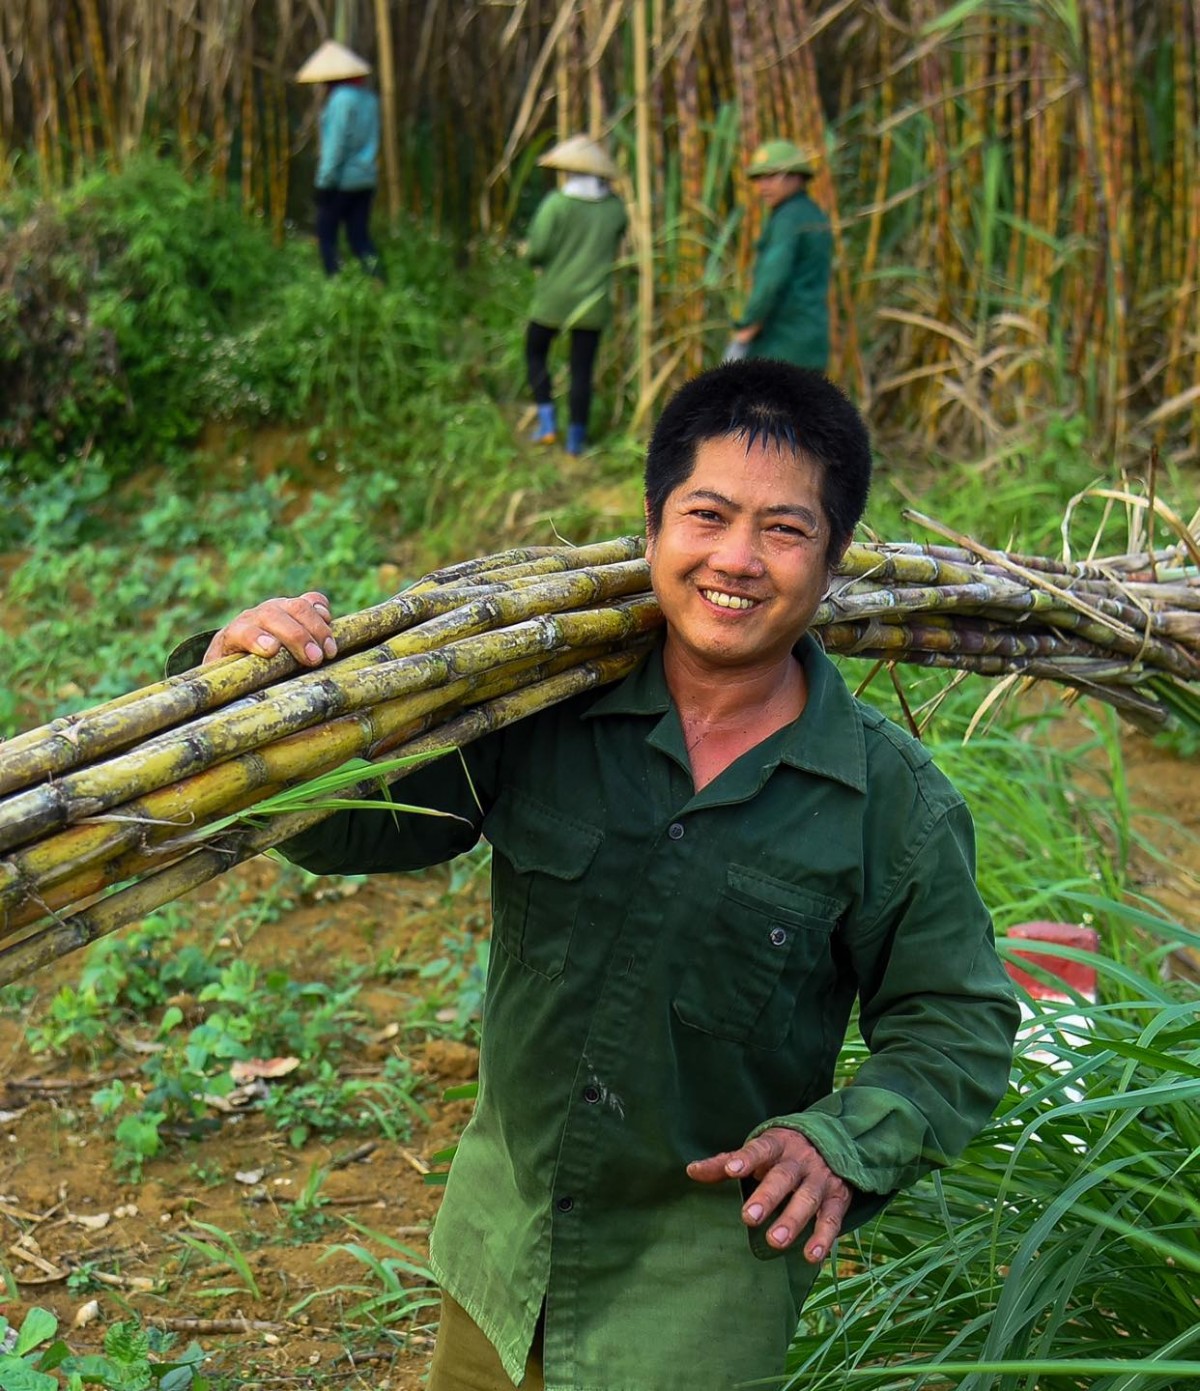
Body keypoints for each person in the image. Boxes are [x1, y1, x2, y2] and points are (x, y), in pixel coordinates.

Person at [194, 360, 1019, 1391]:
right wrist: (242, 688)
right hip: (500, 1261)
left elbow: (958, 1020)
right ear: (652, 526)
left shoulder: (890, 804)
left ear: (835, 555)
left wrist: (842, 1143)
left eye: (785, 529)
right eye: (707, 514)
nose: (738, 558)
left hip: (693, 1308)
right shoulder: (533, 709)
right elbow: (342, 826)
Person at [524, 134, 627, 456]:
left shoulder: (556, 204)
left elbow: (537, 250)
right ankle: (576, 441)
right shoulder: (614, 209)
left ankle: (547, 423)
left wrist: (531, 256)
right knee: (583, 369)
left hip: (553, 299)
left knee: (535, 351)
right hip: (593, 304)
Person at [728, 138, 833, 370]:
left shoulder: (787, 219)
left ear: (797, 176)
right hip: (811, 344)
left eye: (772, 176)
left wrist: (745, 329)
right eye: (759, 178)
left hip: (780, 344)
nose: (763, 186)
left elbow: (771, 280)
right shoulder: (814, 215)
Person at [295, 40, 383, 279]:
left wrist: (324, 184)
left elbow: (335, 148)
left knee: (326, 235)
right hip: (366, 180)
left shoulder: (340, 100)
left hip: (342, 182)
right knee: (360, 238)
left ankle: (336, 287)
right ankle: (379, 284)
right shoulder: (369, 99)